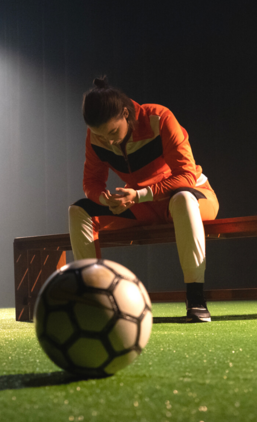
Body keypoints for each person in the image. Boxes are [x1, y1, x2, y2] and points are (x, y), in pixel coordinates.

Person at [68, 76, 220, 322]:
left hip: (193, 197)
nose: (108, 140)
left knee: (182, 199)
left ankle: (195, 298)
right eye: (99, 135)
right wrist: (105, 200)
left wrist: (139, 195)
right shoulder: (96, 137)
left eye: (113, 131)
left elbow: (186, 176)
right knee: (78, 211)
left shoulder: (159, 118)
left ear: (126, 114)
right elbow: (92, 183)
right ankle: (94, 300)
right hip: (142, 205)